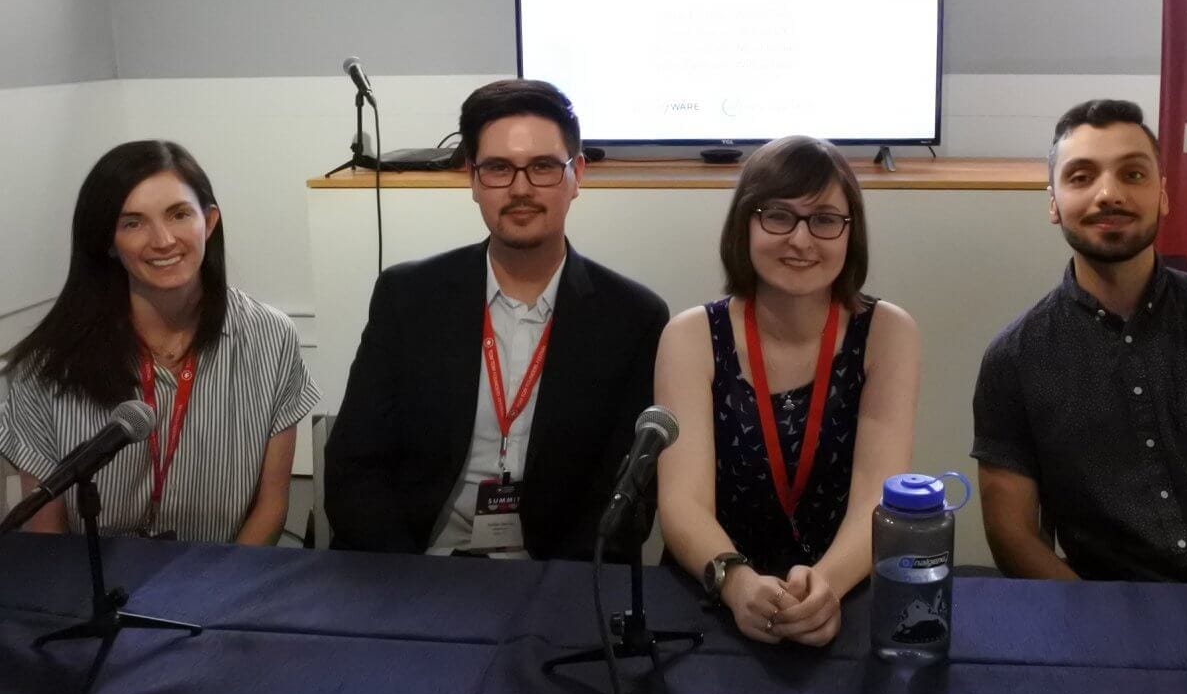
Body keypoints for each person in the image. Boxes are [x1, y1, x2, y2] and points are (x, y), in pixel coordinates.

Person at [972, 99, 1187, 585]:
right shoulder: (1014, 359)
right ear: (1053, 203)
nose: (1108, 194)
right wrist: (1097, 632)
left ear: (1163, 195)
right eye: (1081, 177)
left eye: (1133, 175)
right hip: (1100, 621)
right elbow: (1012, 535)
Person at [324, 79, 669, 560]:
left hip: (550, 582)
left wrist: (551, 594)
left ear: (578, 175)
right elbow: (354, 469)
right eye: (499, 169)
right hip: (413, 568)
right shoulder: (407, 299)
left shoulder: (633, 318)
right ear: (472, 179)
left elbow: (625, 498)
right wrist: (407, 584)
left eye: (544, 167)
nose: (521, 189)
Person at [655, 135, 919, 646]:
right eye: (777, 215)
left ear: (850, 232)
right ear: (744, 226)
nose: (801, 239)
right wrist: (736, 583)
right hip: (714, 594)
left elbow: (876, 495)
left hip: (845, 593)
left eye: (823, 219)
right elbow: (682, 503)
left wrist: (826, 587)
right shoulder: (690, 336)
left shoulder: (888, 331)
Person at [0, 141, 320, 544]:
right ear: (108, 242)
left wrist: (211, 598)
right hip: (93, 586)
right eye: (132, 223)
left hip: (221, 583)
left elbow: (271, 506)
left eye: (179, 214)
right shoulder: (44, 365)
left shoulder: (272, 339)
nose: (164, 239)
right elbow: (49, 535)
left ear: (210, 221)